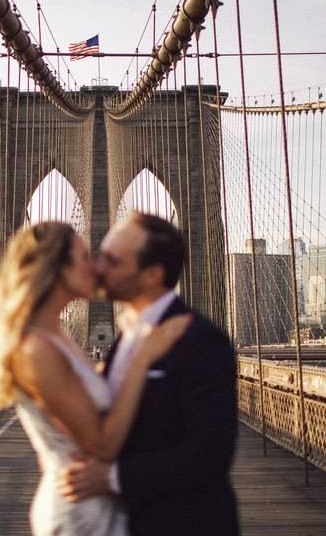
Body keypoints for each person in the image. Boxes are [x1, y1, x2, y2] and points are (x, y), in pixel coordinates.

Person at [0, 221, 191, 535]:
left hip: (102, 504)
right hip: (79, 512)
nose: (97, 268)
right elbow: (101, 443)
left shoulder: (58, 337)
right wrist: (143, 356)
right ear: (57, 269)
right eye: (85, 257)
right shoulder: (35, 349)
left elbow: (85, 395)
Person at [58, 212, 240, 536]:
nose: (99, 269)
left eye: (113, 261)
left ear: (152, 274)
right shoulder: (127, 336)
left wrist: (112, 477)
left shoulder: (199, 339)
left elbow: (211, 454)